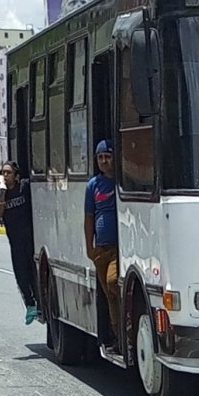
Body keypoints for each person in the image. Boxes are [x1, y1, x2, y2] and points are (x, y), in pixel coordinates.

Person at [0, 161, 39, 325]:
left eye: (8, 173)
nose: (5, 175)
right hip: (15, 240)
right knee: (21, 275)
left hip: (31, 238)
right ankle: (30, 305)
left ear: (16, 175)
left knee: (34, 272)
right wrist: (3, 194)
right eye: (3, 173)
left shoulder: (24, 187)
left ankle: (39, 302)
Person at [84, 140, 119, 352]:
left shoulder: (121, 182)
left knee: (113, 282)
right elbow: (89, 217)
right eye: (100, 157)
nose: (104, 161)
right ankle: (118, 337)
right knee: (110, 296)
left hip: (118, 249)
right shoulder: (93, 185)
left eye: (107, 156)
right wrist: (90, 247)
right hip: (101, 250)